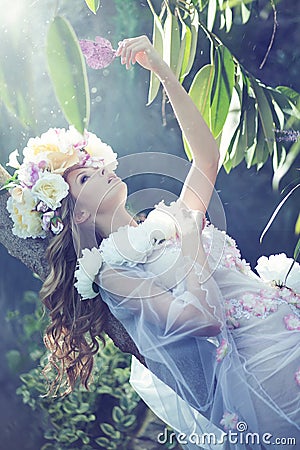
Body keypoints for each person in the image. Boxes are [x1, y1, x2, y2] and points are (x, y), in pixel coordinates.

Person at [4, 36, 300, 449]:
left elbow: (205, 159)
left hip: (286, 326)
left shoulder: (167, 217)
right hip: (266, 370)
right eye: (84, 178)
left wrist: (162, 70)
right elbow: (202, 319)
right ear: (79, 216)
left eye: (93, 166)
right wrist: (194, 240)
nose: (100, 170)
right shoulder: (113, 273)